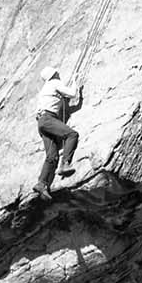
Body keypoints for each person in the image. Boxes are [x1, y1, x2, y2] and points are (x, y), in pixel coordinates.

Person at [34, 64, 82, 199]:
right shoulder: (54, 82)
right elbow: (72, 94)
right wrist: (75, 82)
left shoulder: (44, 89)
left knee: (52, 155)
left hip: (42, 122)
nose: (59, 75)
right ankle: (65, 164)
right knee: (72, 135)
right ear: (54, 75)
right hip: (49, 118)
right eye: (57, 74)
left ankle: (41, 184)